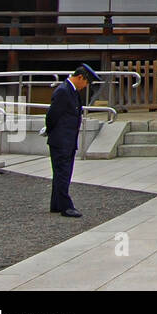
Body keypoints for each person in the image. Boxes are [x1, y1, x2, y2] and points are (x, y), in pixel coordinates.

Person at [45, 64, 101, 218]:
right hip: (61, 139)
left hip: (66, 139)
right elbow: (52, 115)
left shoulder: (71, 91)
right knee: (63, 172)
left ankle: (56, 203)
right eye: (87, 82)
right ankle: (66, 206)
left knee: (62, 172)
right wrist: (52, 132)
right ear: (80, 77)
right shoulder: (64, 91)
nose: (86, 86)